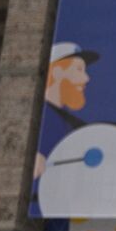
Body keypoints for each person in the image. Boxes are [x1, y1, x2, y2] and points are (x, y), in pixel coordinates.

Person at [37, 42, 98, 180]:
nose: (86, 78)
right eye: (79, 69)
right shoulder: (41, 120)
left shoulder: (69, 123)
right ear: (57, 72)